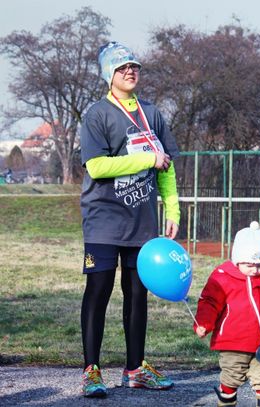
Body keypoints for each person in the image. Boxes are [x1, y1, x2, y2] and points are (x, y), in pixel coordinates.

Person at [79, 41, 180, 398]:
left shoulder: (152, 113)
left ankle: (135, 369)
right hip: (104, 220)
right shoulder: (97, 114)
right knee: (98, 291)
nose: (130, 72)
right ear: (109, 75)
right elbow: (97, 166)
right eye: (122, 68)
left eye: (134, 66)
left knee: (137, 295)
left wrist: (173, 208)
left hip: (143, 223)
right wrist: (145, 160)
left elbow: (166, 165)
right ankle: (92, 372)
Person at [194, 221, 260, 407]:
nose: (255, 270)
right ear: (237, 259)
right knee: (231, 378)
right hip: (232, 343)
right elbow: (209, 303)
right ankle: (226, 398)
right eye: (249, 264)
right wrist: (203, 323)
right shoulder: (222, 278)